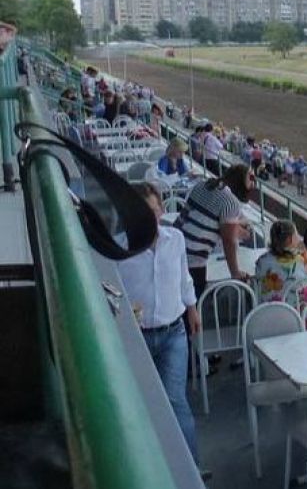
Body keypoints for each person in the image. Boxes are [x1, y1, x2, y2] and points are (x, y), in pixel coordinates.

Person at [115, 184, 203, 471]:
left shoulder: (175, 239)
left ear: (162, 211)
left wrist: (192, 308)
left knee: (175, 399)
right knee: (139, 403)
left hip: (173, 334)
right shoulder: (118, 247)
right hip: (135, 339)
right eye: (142, 212)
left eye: (153, 211)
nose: (149, 218)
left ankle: (190, 470)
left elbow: (184, 278)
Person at [176, 163, 254, 301]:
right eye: (251, 178)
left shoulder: (203, 185)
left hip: (175, 250)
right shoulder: (230, 202)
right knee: (193, 304)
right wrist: (235, 272)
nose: (253, 183)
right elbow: (228, 240)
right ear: (240, 181)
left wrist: (237, 227)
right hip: (192, 260)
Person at [255, 220, 307, 310]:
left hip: (266, 313)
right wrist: (305, 253)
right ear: (290, 239)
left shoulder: (261, 261)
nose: (299, 238)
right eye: (296, 235)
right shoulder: (300, 260)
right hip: (296, 314)